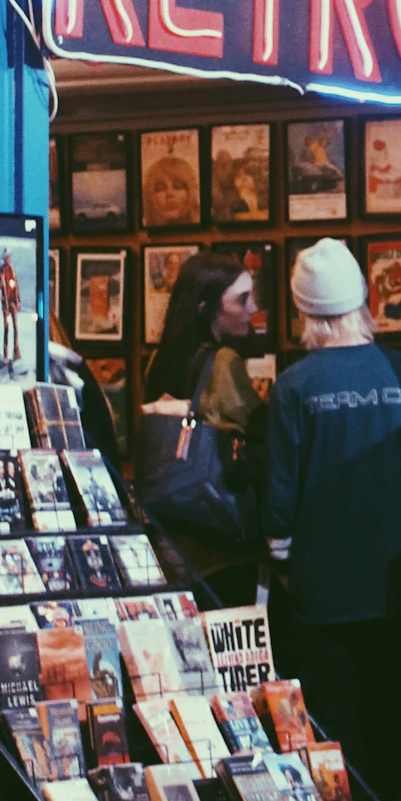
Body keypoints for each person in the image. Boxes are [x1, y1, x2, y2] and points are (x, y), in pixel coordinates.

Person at [266, 238, 401, 801]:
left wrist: (280, 562)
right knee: (393, 713)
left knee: (334, 721)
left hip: (321, 586)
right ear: (363, 299)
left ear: (303, 309)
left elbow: (280, 496)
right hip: (398, 581)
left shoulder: (294, 386)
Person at [136, 253, 267, 592]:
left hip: (172, 543)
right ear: (205, 308)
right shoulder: (224, 364)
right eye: (241, 300)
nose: (253, 308)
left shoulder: (159, 362)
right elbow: (263, 431)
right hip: (220, 548)